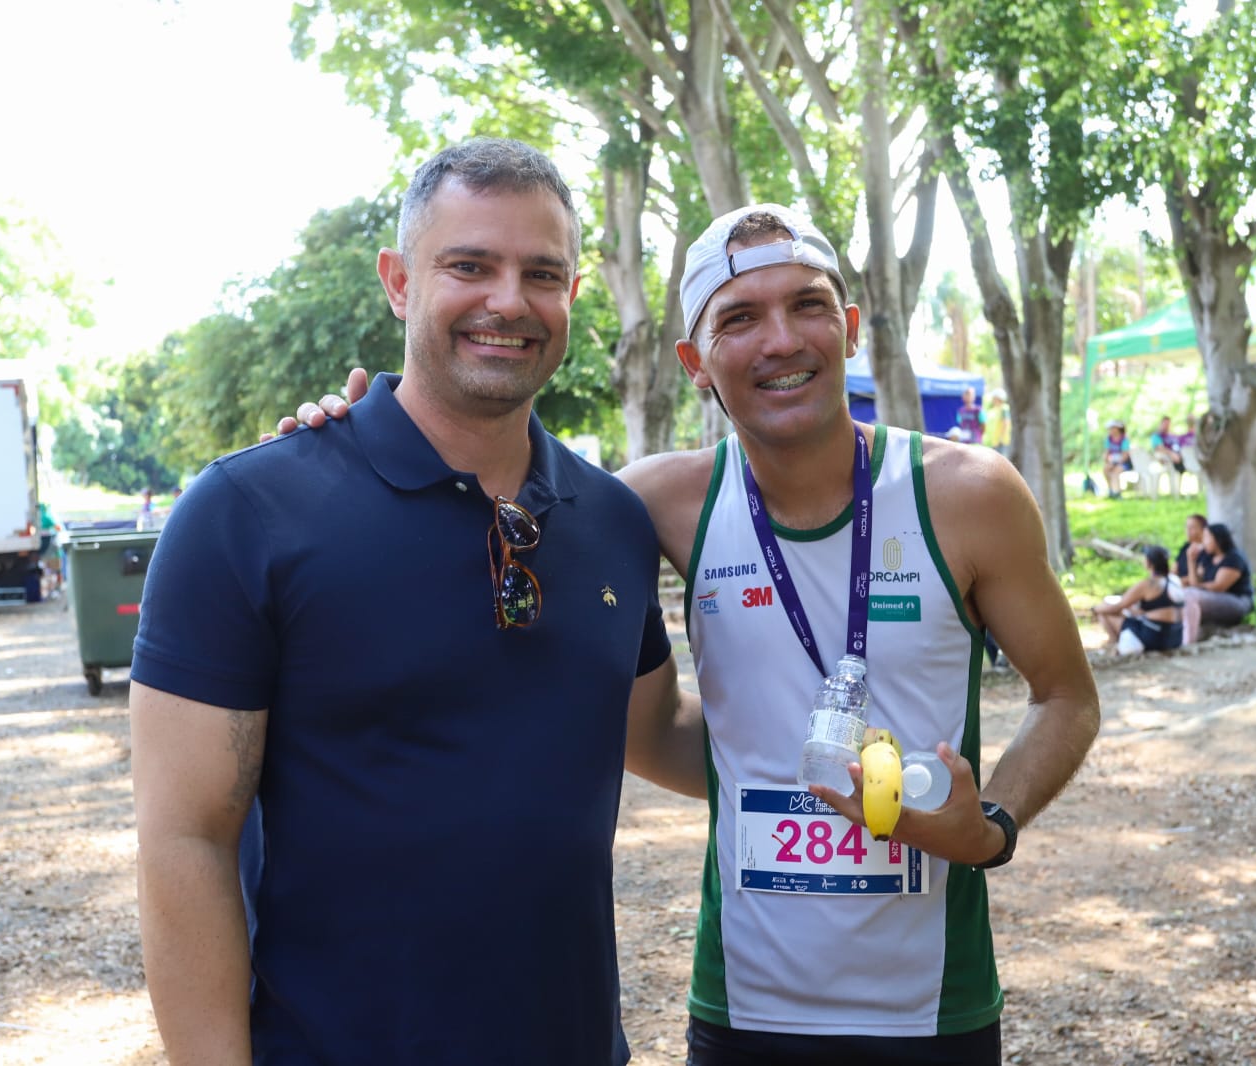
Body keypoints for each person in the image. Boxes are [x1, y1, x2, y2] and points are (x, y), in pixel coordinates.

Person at [289, 204, 1102, 1063]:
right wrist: (348, 445)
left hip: (934, 1012)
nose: (781, 341)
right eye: (740, 319)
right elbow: (467, 516)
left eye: (809, 305)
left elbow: (1066, 697)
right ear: (695, 363)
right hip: (741, 1012)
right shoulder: (649, 505)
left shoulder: (969, 493)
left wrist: (992, 828)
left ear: (851, 328)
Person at [128, 138, 697, 1064]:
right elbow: (185, 841)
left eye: (541, 273)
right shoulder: (249, 513)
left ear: (573, 296)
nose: (507, 301)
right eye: (469, 265)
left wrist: (859, 750)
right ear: (399, 280)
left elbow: (657, 729)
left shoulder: (612, 522)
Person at [1090, 545, 1184, 655]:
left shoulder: (1149, 584)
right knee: (1126, 612)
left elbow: (1117, 607)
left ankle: (1113, 642)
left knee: (1105, 611)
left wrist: (1094, 609)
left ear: (1149, 562)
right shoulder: (1175, 580)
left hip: (1155, 636)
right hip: (1176, 637)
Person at [1180, 521, 1255, 645]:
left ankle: (1188, 641)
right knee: (1184, 594)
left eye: (1207, 538)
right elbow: (1194, 582)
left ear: (1217, 539)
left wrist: (1196, 587)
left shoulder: (1234, 558)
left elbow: (1219, 586)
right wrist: (1191, 560)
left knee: (1189, 594)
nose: (1203, 541)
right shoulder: (1207, 557)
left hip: (1238, 601)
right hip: (1214, 600)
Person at [1102, 420, 1134, 498]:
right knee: (1106, 469)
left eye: (1112, 428)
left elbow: (1125, 455)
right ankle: (1111, 490)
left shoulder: (1124, 439)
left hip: (1125, 463)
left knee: (1115, 472)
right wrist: (1107, 460)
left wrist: (1116, 463)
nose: (1111, 430)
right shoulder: (1109, 439)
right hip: (1113, 462)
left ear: (1118, 428)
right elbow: (1106, 452)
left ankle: (1117, 493)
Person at [1173, 512, 1208, 582]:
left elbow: (1199, 577)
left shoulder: (1208, 550)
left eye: (1192, 527)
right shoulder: (1186, 547)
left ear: (1203, 529)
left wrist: (1176, 582)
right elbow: (1174, 570)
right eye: (1186, 527)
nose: (1187, 530)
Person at [982, 387, 1010, 456]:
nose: (993, 400)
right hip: (994, 441)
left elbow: (1005, 422)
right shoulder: (994, 409)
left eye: (994, 398)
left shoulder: (1004, 408)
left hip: (1001, 441)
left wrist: (1001, 437)